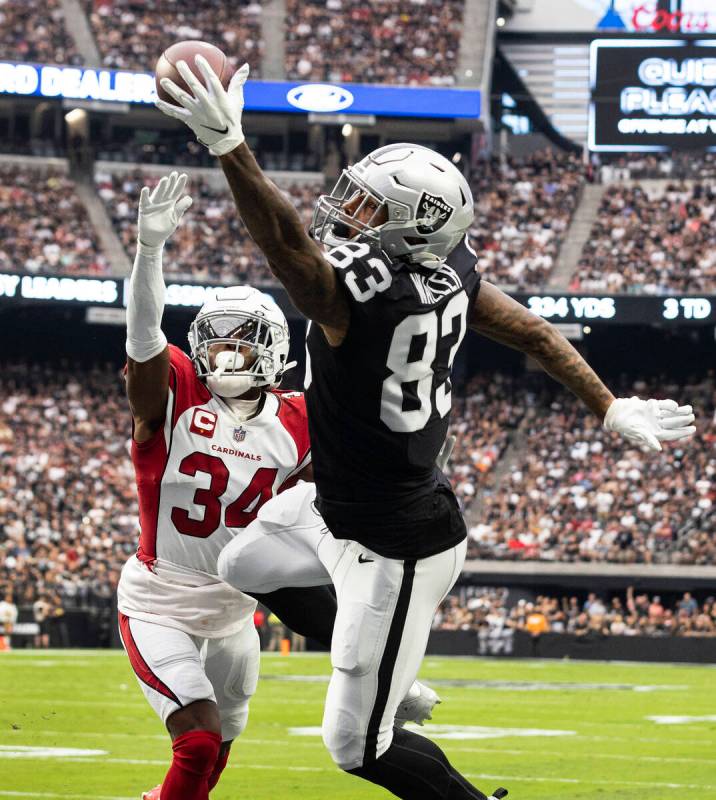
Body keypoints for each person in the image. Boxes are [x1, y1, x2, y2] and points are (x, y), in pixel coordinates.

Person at [156, 57, 695, 800]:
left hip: (394, 541)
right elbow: (536, 333)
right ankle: (390, 669)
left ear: (416, 228)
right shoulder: (451, 271)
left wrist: (230, 148)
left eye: (371, 210)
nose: (348, 214)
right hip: (336, 507)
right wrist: (607, 405)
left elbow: (288, 251)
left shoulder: (363, 297)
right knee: (242, 563)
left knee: (356, 747)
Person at [120, 173, 442, 800]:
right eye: (213, 340)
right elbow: (144, 335)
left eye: (238, 342)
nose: (223, 354)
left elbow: (367, 458)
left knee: (218, 751)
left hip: (239, 609)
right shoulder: (176, 393)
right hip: (161, 599)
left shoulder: (299, 418)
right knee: (198, 741)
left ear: (270, 349)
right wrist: (149, 251)